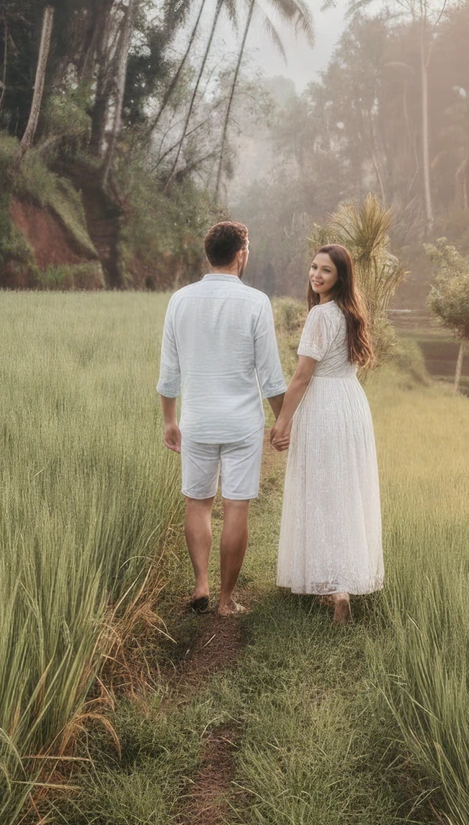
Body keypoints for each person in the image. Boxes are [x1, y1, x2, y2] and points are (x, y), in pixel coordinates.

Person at [157, 219, 286, 616]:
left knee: (197, 503)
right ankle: (227, 601)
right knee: (236, 506)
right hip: (241, 424)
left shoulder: (179, 299)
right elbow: (270, 375)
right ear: (241, 254)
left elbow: (169, 371)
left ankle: (200, 585)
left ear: (208, 255)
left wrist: (169, 420)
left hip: (197, 420)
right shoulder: (256, 302)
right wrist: (282, 422)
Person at [271, 243, 383, 623]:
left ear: (340, 277)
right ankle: (340, 583)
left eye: (326, 271)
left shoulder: (321, 315)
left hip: (324, 405)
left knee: (322, 489)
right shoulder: (351, 313)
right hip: (351, 404)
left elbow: (303, 376)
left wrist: (282, 421)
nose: (316, 275)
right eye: (314, 267)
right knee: (346, 490)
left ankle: (334, 586)